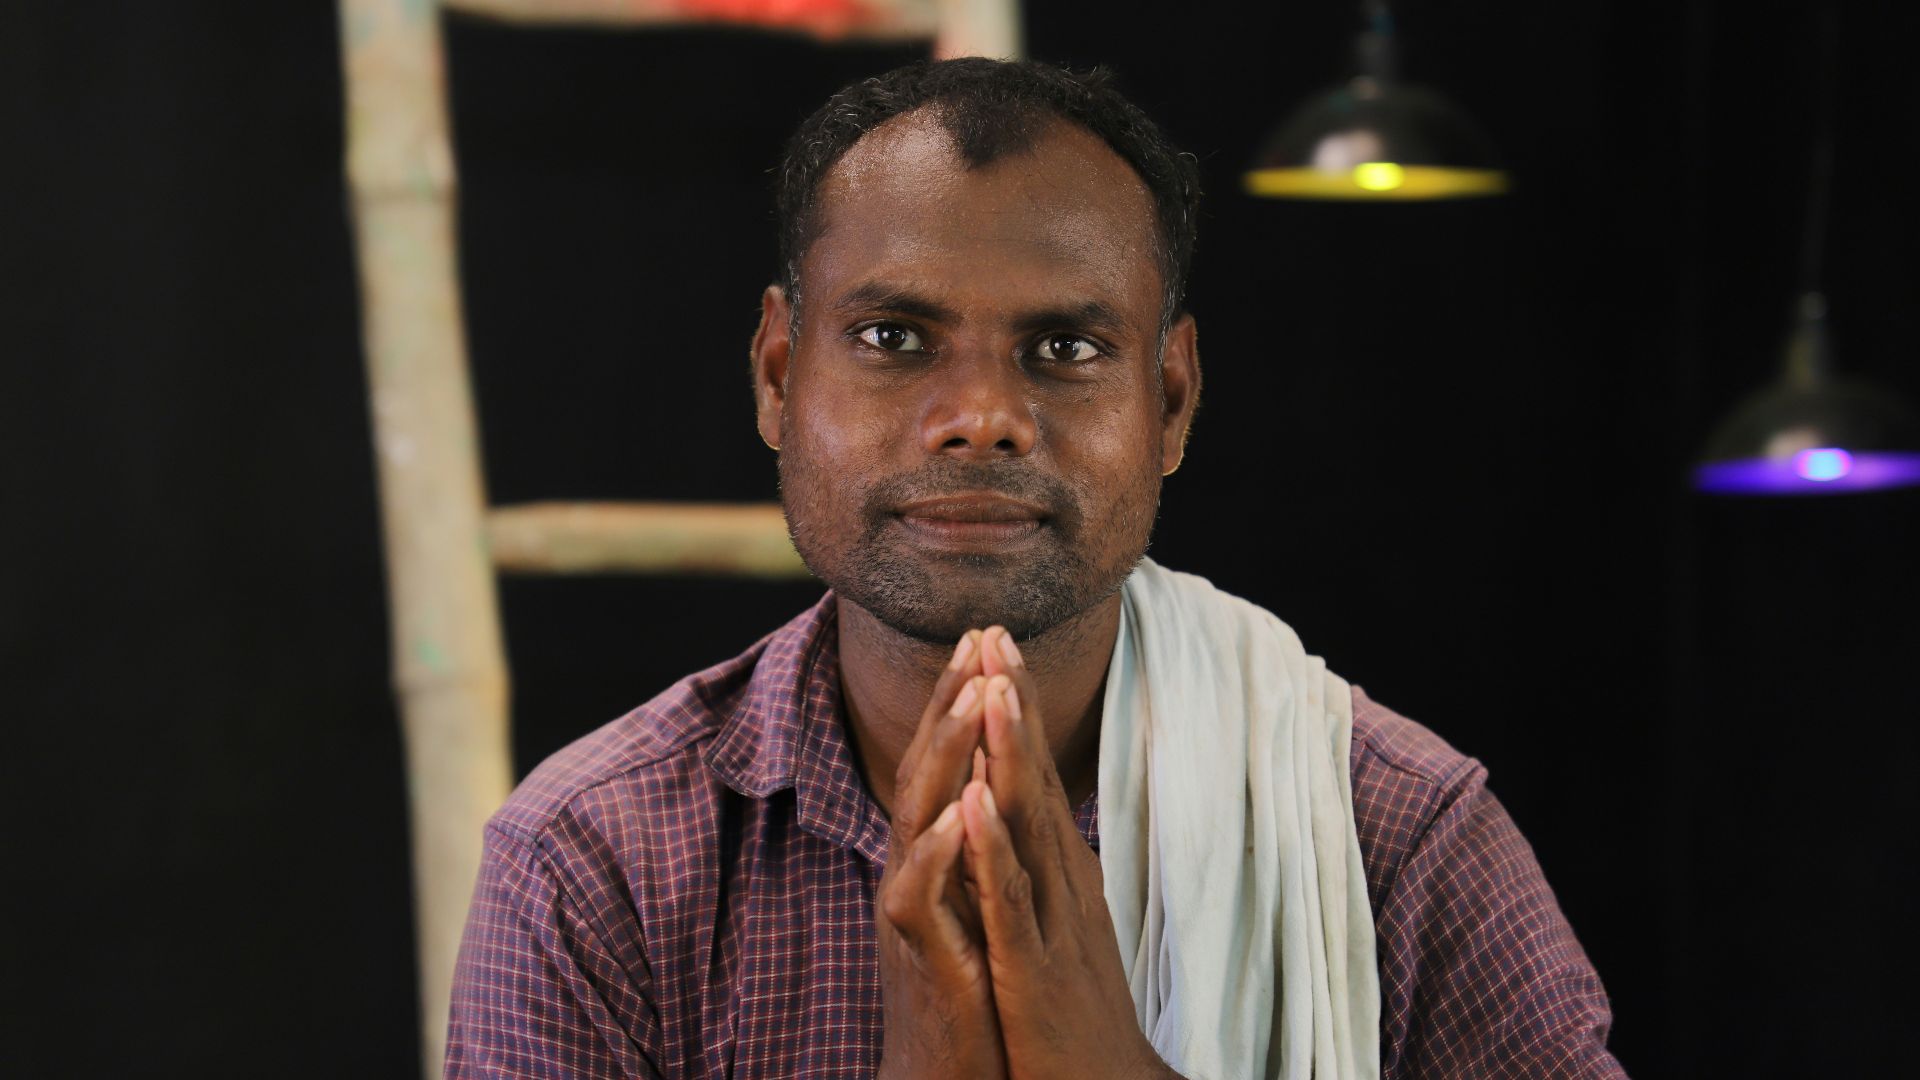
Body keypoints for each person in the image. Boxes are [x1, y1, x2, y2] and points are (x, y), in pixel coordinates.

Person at [444, 58, 1625, 1079]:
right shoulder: (597, 862)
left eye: (1065, 347)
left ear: (1169, 400)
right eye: (894, 338)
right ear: (775, 376)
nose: (983, 419)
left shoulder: (1387, 832)